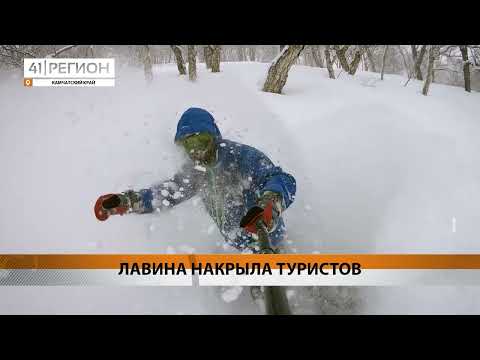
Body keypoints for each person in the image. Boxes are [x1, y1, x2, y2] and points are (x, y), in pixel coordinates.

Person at [94, 107, 296, 253]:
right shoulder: (195, 173)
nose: (196, 150)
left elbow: (279, 178)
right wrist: (127, 202)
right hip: (241, 247)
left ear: (214, 138)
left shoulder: (240, 157)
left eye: (202, 140)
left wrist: (270, 202)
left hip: (266, 239)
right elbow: (165, 195)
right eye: (189, 143)